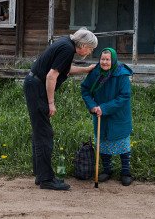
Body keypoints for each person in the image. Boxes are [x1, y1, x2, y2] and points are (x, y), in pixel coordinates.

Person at [24, 28, 98, 190]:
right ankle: (46, 180)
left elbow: (65, 68)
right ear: (83, 45)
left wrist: (86, 70)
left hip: (34, 85)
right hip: (37, 88)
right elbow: (52, 75)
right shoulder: (67, 48)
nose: (90, 52)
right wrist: (51, 103)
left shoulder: (66, 44)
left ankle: (41, 175)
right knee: (44, 133)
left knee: (40, 132)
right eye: (91, 49)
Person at [81, 47, 134, 186]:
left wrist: (104, 108)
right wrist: (92, 106)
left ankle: (125, 172)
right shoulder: (95, 73)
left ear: (113, 60)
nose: (104, 62)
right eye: (102, 59)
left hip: (118, 114)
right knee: (103, 141)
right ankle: (107, 170)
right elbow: (85, 89)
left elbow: (124, 96)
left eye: (108, 59)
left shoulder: (121, 74)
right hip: (99, 113)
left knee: (122, 143)